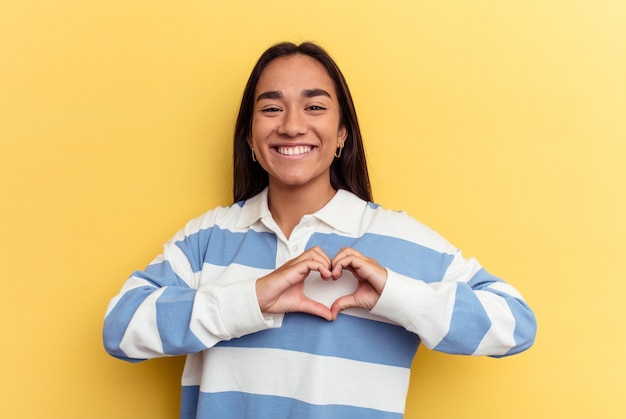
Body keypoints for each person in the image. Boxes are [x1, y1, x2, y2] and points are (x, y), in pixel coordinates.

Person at [103, 41, 536, 418]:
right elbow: (120, 331)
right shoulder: (208, 237)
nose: (291, 125)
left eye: (314, 107)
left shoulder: (401, 240)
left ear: (342, 133)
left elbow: (515, 325)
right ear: (250, 139)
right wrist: (253, 298)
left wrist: (393, 294)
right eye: (271, 108)